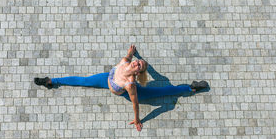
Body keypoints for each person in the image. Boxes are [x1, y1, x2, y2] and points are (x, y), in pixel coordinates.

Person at [34, 45, 208, 131]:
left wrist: (138, 120)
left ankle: (191, 88)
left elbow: (135, 103)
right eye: (137, 62)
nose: (136, 63)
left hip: (123, 91)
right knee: (84, 80)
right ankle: (51, 81)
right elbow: (128, 56)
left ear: (138, 72)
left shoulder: (131, 84)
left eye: (139, 66)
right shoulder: (126, 61)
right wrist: (133, 52)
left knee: (164, 91)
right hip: (105, 79)